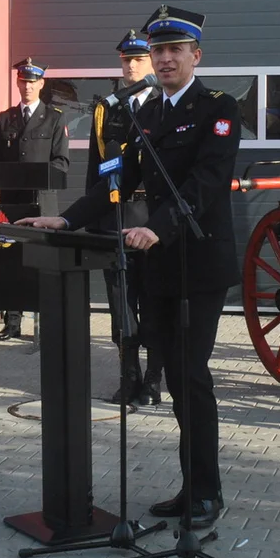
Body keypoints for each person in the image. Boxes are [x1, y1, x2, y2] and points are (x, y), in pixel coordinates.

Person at [17, 6, 240, 529]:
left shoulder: (218, 107)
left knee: (190, 378)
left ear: (195, 56)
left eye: (173, 51)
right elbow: (115, 181)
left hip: (197, 262)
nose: (163, 59)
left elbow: (206, 182)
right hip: (156, 264)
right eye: (156, 51)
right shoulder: (147, 113)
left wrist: (160, 225)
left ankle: (206, 492)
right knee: (176, 377)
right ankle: (190, 489)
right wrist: (67, 221)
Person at [88, 30, 164, 406]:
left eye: (137, 59)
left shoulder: (165, 104)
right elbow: (96, 169)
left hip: (151, 216)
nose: (130, 66)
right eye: (125, 60)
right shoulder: (108, 107)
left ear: (151, 61)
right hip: (116, 216)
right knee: (121, 304)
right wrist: (94, 220)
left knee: (154, 301)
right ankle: (128, 375)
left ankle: (153, 379)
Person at [0, 57, 70, 341]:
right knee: (11, 261)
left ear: (41, 84)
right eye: (23, 81)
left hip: (41, 203)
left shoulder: (55, 117)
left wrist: (38, 176)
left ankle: (47, 322)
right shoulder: (4, 118)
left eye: (33, 82)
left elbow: (61, 162)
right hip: (11, 202)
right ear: (18, 83)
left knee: (44, 263)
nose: (27, 86)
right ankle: (12, 323)